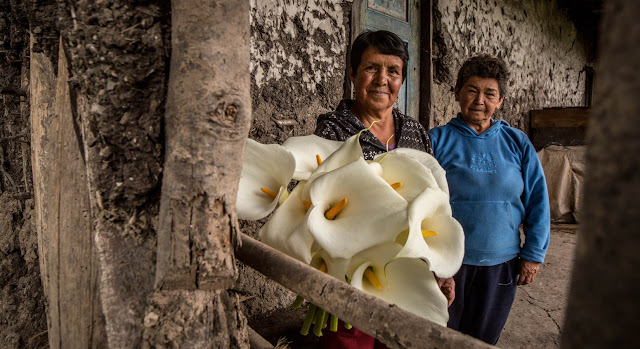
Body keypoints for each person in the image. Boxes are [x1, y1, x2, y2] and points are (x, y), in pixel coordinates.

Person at [314, 30, 454, 349]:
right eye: (371, 68)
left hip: (406, 274)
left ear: (401, 80)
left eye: (393, 71)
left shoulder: (416, 132)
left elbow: (435, 203)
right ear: (352, 74)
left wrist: (441, 268)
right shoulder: (333, 131)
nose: (382, 79)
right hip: (353, 277)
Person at [428, 55, 550, 344]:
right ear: (457, 93)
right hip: (448, 262)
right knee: (440, 337)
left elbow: (538, 199)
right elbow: (420, 197)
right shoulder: (437, 140)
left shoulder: (517, 142)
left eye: (489, 93)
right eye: (471, 90)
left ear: (501, 100)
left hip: (501, 264)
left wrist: (533, 254)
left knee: (483, 340)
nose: (479, 99)